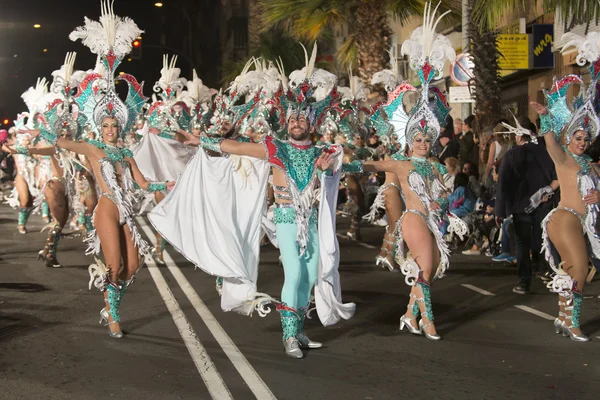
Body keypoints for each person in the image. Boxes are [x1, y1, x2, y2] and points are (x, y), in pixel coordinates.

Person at [151, 45, 355, 358]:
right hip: (287, 219)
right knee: (296, 274)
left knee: (312, 275)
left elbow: (343, 169)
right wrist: (202, 140)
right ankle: (288, 335)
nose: (297, 122)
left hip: (311, 222)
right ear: (287, 123)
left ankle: (298, 329)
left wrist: (329, 171)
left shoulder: (320, 154)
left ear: (311, 124)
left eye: (303, 118)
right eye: (293, 118)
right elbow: (238, 148)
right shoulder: (275, 149)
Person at [529, 31, 600, 341]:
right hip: (565, 216)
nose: (582, 142)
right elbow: (549, 144)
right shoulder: (564, 159)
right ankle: (571, 322)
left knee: (576, 269)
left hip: (586, 222)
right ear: (568, 138)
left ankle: (563, 317)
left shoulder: (593, 166)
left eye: (586, 138)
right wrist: (545, 121)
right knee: (580, 268)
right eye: (577, 138)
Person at [495, 116, 558, 294]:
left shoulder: (511, 155)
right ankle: (544, 269)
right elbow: (557, 176)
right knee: (542, 238)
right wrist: (548, 192)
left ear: (518, 136)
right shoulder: (546, 152)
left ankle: (524, 282)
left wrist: (499, 211)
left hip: (520, 206)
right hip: (544, 204)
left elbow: (503, 184)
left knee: (522, 243)